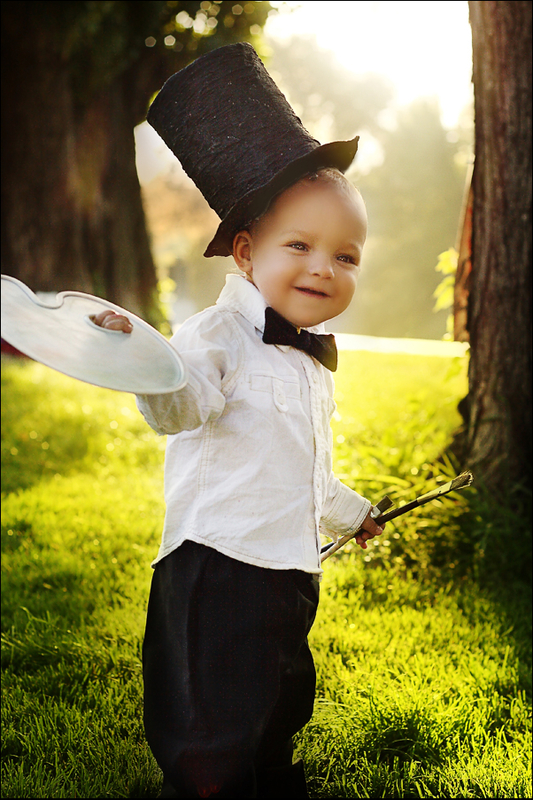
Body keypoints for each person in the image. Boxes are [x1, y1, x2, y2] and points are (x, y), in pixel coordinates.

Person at [93, 43, 384, 799]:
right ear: (247, 256)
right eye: (301, 246)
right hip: (215, 569)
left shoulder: (308, 360)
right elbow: (182, 407)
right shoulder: (215, 337)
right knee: (212, 721)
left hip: (289, 571)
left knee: (279, 701)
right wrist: (148, 364)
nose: (323, 267)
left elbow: (303, 469)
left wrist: (353, 514)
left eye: (346, 256)